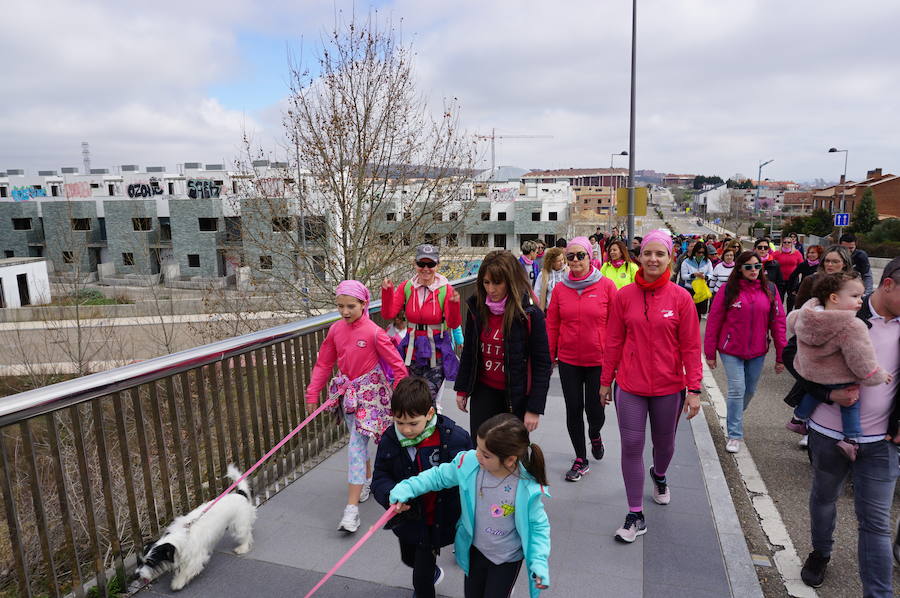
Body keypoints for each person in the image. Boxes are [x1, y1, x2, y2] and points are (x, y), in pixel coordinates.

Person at [784, 258, 900, 595]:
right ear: (889, 285)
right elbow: (795, 352)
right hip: (827, 432)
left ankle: (878, 593)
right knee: (823, 498)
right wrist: (828, 393)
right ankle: (820, 552)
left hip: (881, 440)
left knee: (876, 523)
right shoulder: (845, 310)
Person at [599, 230, 703, 543]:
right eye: (648, 253)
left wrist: (694, 390)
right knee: (631, 446)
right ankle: (634, 514)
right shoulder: (623, 296)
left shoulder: (681, 298)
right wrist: (606, 381)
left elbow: (690, 347)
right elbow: (614, 340)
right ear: (639, 257)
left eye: (660, 254)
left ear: (670, 257)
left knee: (665, 445)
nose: (653, 259)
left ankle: (658, 475)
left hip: (669, 387)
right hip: (630, 385)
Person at [389, 414, 551, 598]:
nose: (478, 455)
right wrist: (406, 488)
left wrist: (538, 563)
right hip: (475, 551)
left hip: (507, 559)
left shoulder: (526, 488)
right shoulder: (470, 463)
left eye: (486, 454)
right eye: (478, 447)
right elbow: (438, 476)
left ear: (510, 460)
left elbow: (538, 528)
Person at [305, 280, 409, 533]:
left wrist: (404, 397)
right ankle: (360, 492)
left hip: (375, 397)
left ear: (364, 304)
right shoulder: (335, 331)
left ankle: (358, 502)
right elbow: (323, 363)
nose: (345, 311)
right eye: (340, 306)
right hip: (349, 395)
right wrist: (312, 393)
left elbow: (397, 366)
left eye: (351, 306)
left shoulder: (374, 332)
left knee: (370, 444)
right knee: (357, 442)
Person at [372, 376, 472, 598]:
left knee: (421, 575)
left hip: (439, 515)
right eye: (399, 422)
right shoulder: (390, 439)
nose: (406, 430)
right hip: (409, 518)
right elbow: (380, 476)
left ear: (429, 414)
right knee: (408, 557)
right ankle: (430, 572)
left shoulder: (454, 438)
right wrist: (390, 495)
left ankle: (425, 582)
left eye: (413, 423)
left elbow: (470, 473)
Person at [785, 271, 891, 460]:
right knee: (851, 403)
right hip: (837, 376)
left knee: (812, 394)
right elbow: (860, 360)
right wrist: (878, 375)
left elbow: (791, 323)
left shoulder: (805, 314)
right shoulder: (851, 325)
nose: (861, 300)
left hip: (811, 372)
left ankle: (798, 417)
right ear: (834, 298)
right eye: (855, 296)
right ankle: (851, 439)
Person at [455, 250, 552, 437]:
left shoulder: (529, 314)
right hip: (483, 392)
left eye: (497, 283)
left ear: (511, 281)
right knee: (481, 451)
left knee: (510, 455)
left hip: (515, 396)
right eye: (486, 282)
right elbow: (470, 352)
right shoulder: (477, 308)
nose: (491, 289)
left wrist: (534, 408)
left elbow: (542, 364)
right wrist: (462, 388)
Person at [547, 236, 618, 481]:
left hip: (599, 360)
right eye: (571, 256)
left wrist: (615, 360)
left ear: (590, 257)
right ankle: (580, 458)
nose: (575, 260)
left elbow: (617, 327)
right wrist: (550, 354)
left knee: (595, 409)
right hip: (568, 360)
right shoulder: (560, 289)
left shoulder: (607, 286)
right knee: (573, 409)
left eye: (581, 255)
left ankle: (595, 434)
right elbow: (553, 324)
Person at [704, 251, 787, 453]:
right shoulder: (727, 290)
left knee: (749, 391)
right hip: (730, 349)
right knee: (736, 389)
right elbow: (714, 322)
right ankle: (734, 434)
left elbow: (778, 324)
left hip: (758, 350)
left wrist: (781, 356)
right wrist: (710, 353)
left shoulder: (770, 290)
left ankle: (734, 416)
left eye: (757, 266)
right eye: (748, 266)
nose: (753, 270)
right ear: (739, 268)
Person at [381, 244, 462, 402]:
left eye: (431, 264)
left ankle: (432, 425)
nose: (426, 268)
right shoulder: (407, 287)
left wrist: (454, 305)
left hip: (436, 351)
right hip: (412, 351)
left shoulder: (446, 290)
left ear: (437, 265)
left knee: (427, 399)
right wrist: (387, 292)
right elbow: (388, 314)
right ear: (415, 264)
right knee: (411, 398)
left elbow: (453, 323)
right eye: (421, 264)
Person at [794, 245, 853, 311]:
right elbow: (799, 308)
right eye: (827, 261)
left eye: (835, 261)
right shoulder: (811, 280)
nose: (830, 264)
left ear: (844, 263)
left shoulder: (851, 283)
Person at [679, 241, 713, 319]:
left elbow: (711, 274)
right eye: (699, 252)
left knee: (698, 314)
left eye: (703, 252)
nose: (701, 254)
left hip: (701, 291)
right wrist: (693, 275)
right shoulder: (686, 261)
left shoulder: (707, 262)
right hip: (689, 290)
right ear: (695, 251)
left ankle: (696, 330)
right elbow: (683, 276)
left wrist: (706, 277)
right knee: (688, 313)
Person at [786, 245, 823, 312]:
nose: (810, 255)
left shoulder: (822, 266)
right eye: (809, 252)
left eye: (813, 253)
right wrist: (793, 289)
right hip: (803, 291)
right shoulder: (804, 264)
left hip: (816, 293)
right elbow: (793, 276)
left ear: (819, 254)